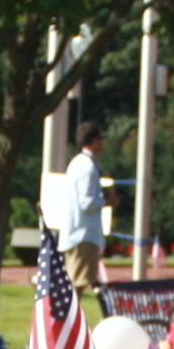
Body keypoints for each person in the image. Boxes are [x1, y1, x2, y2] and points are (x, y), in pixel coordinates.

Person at [57, 120, 108, 311]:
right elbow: (86, 202)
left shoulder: (77, 163)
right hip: (82, 235)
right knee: (77, 285)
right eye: (100, 139)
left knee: (78, 282)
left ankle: (71, 324)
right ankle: (70, 326)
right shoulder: (87, 166)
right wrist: (106, 200)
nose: (103, 144)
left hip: (75, 232)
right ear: (93, 140)